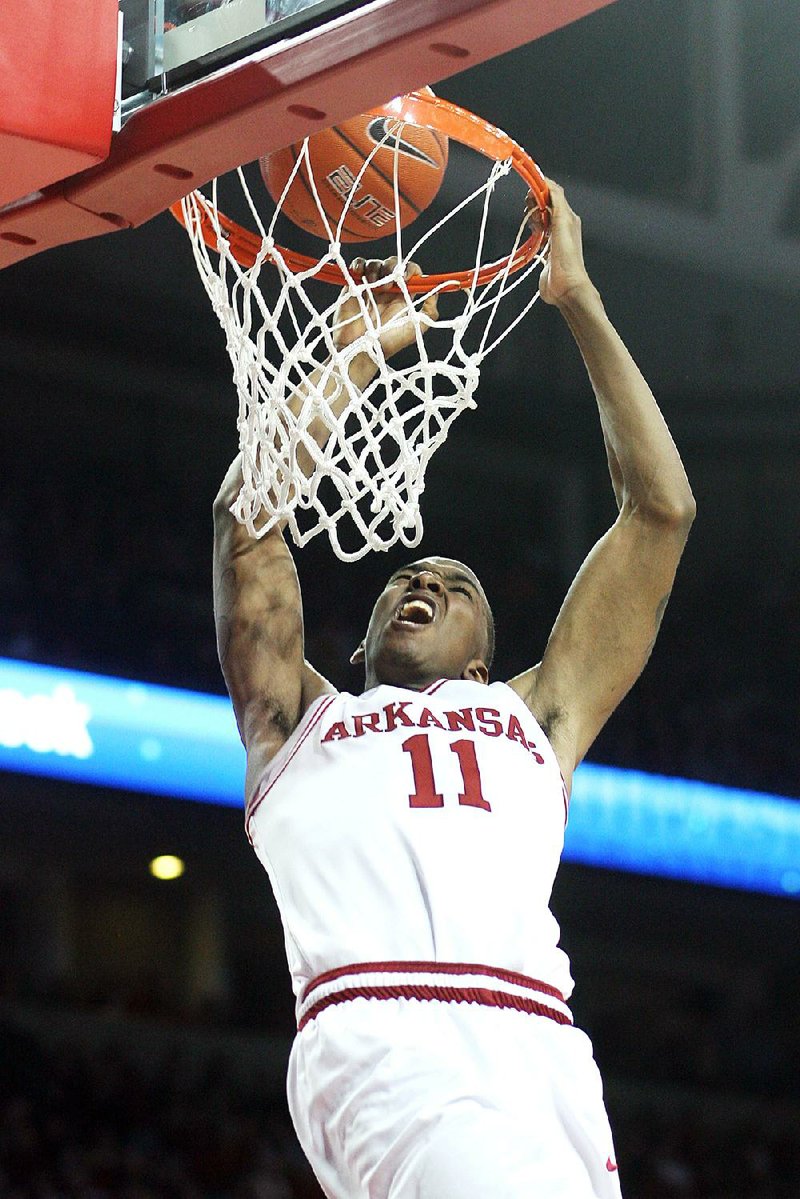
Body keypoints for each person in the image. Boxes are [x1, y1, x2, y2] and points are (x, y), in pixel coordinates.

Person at [213, 181, 695, 1198]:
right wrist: (348, 358)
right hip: (385, 1038)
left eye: (454, 583)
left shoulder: (534, 718)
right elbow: (248, 523)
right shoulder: (298, 724)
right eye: (405, 577)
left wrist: (578, 300)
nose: (425, 580)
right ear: (357, 648)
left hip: (543, 1054)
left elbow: (659, 511)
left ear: (486, 658)